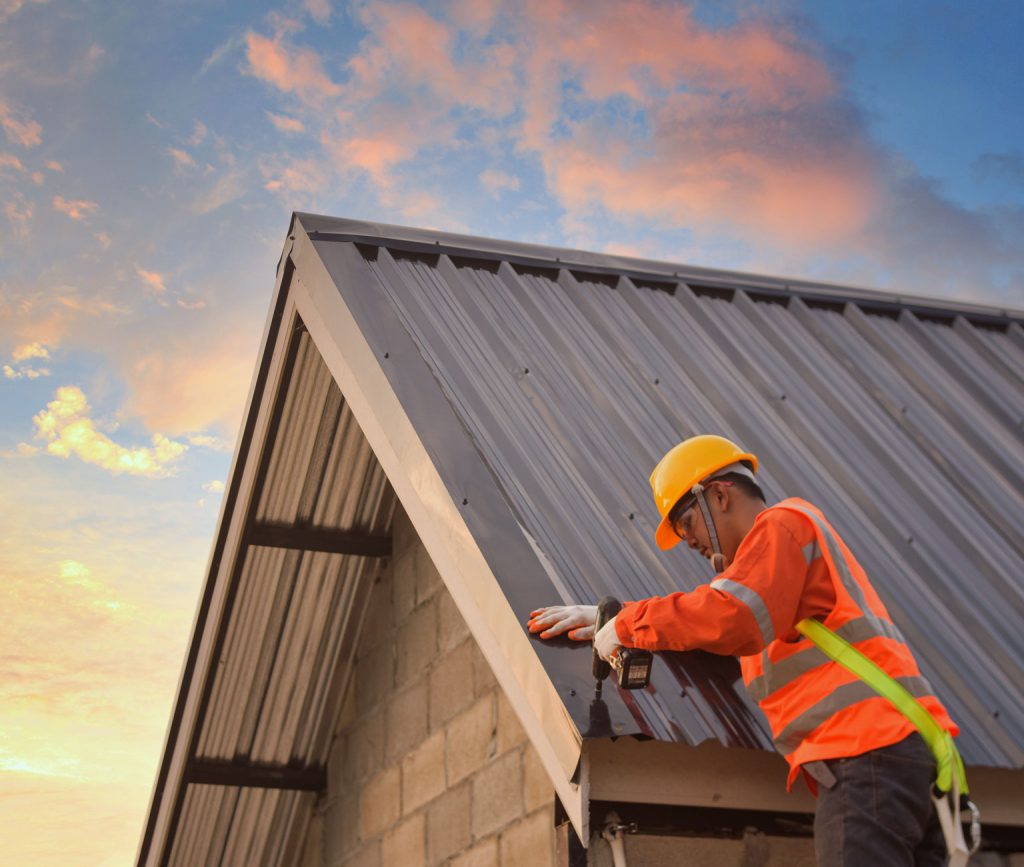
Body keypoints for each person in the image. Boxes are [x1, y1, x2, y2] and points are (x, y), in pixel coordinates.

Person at [528, 434, 959, 867]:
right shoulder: (774, 582)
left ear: (718, 494)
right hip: (895, 755)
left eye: (686, 523)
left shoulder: (784, 524)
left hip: (866, 752)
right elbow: (715, 622)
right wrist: (618, 619)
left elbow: (729, 615)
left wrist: (628, 624)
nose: (689, 542)